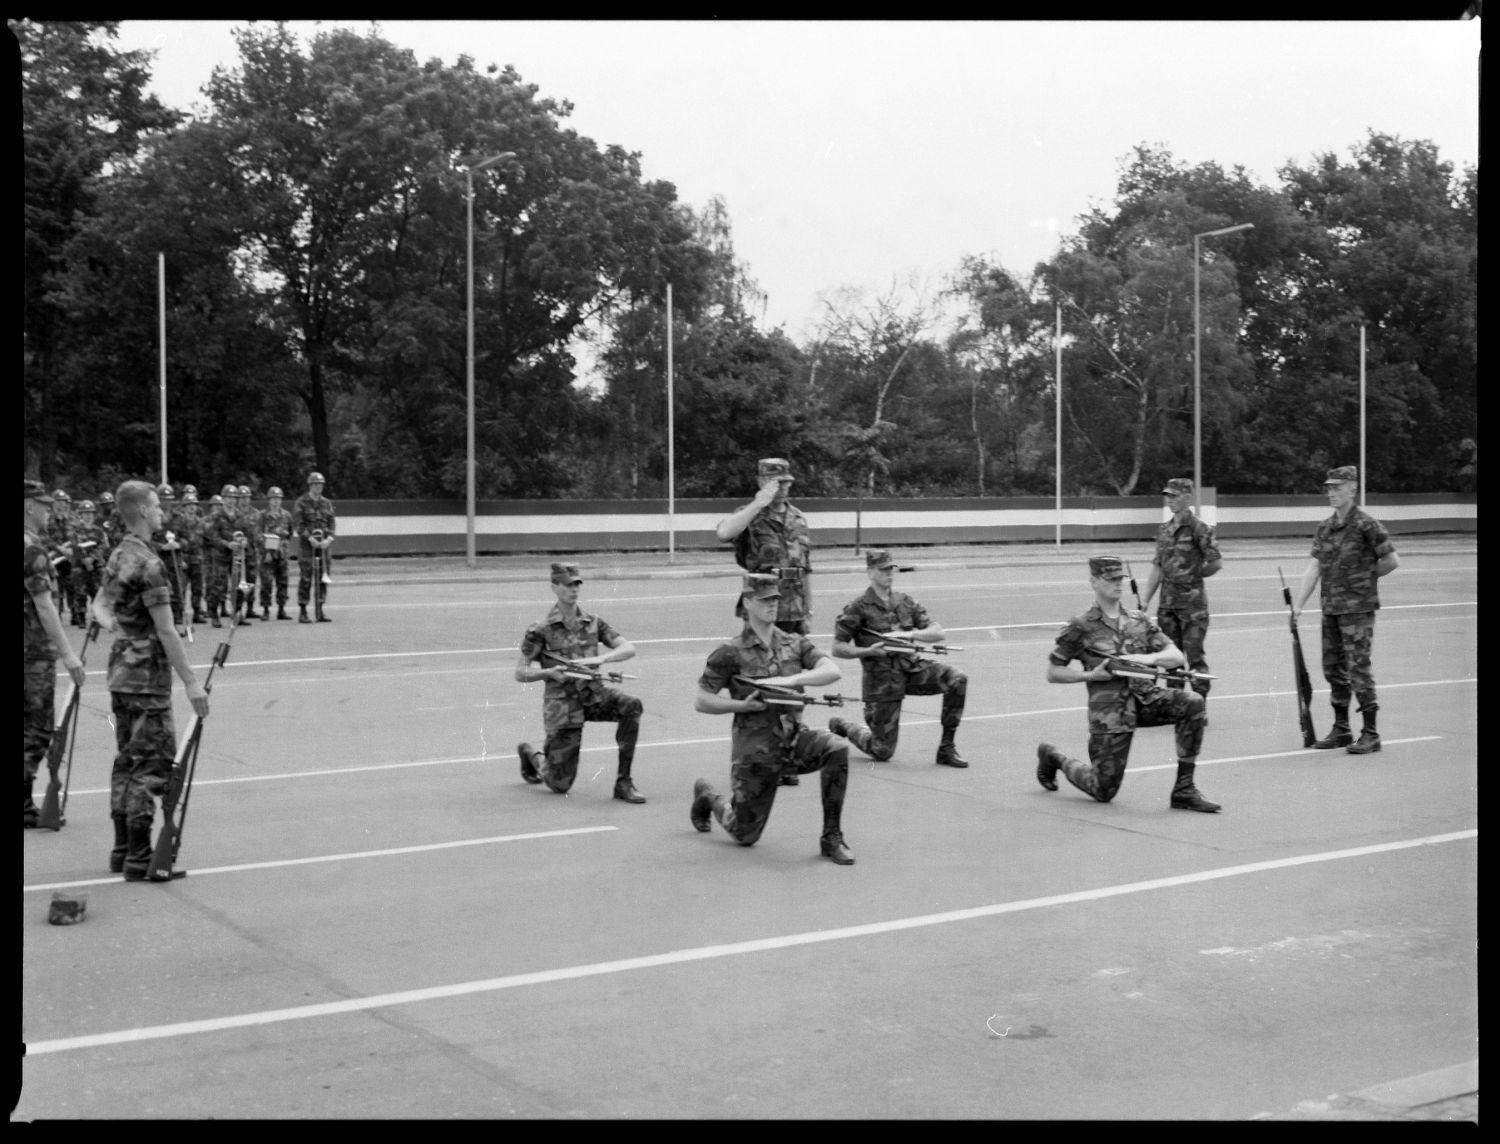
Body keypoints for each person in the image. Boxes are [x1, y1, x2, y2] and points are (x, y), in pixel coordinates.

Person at [690, 574, 854, 864]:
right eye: (765, 600)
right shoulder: (730, 651)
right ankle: (708, 796)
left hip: (793, 741)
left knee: (837, 748)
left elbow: (832, 670)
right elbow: (702, 700)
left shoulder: (794, 642)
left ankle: (832, 837)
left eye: (776, 599)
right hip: (754, 752)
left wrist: (793, 679)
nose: (773, 605)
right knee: (745, 835)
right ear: (748, 603)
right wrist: (740, 706)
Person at [1035, 555, 1220, 813]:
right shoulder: (1081, 626)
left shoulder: (1138, 620)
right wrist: (1090, 676)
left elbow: (1176, 655)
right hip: (1110, 713)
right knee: (1103, 790)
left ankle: (1184, 789)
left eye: (1120, 578)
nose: (1118, 584)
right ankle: (1054, 757)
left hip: (1146, 700)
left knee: (1193, 703)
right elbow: (1053, 672)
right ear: (1094, 582)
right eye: (1110, 579)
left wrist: (1145, 658)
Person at [95, 481, 209, 878]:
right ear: (142, 511)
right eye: (157, 506)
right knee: (153, 762)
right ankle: (141, 857)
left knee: (127, 759)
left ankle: (123, 847)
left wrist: (123, 631)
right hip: (147, 678)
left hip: (121, 671)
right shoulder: (149, 563)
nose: (163, 512)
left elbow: (100, 607)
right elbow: (166, 630)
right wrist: (192, 682)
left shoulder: (118, 555)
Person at [716, 456, 813, 786]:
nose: (784, 487)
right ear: (763, 482)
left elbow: (805, 570)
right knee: (760, 683)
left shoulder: (799, 518)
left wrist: (808, 610)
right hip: (761, 612)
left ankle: (787, 755)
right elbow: (724, 532)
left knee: (794, 684)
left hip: (794, 610)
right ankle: (755, 756)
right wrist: (758, 503)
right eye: (777, 482)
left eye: (787, 482)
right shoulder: (752, 517)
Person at [514, 563, 646, 804]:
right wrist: (548, 673)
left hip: (593, 695)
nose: (573, 589)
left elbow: (628, 648)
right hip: (563, 706)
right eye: (567, 585)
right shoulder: (541, 630)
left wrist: (602, 658)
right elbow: (520, 672)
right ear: (555, 587)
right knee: (559, 783)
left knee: (631, 706)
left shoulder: (593, 622)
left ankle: (623, 782)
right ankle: (532, 755)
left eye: (577, 584)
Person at [1292, 465, 1400, 754]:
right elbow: (1315, 566)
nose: (1332, 493)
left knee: (1358, 670)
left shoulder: (1367, 524)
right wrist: (1298, 606)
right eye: (1329, 488)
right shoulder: (1326, 527)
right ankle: (1341, 729)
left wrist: (1366, 578)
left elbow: (1391, 560)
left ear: (1353, 488)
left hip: (1358, 611)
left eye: (1338, 487)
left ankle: (1370, 732)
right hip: (1331, 610)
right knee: (1332, 669)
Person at [827, 550, 970, 768]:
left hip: (911, 669)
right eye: (882, 569)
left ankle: (946, 748)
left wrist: (910, 634)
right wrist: (868, 652)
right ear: (870, 573)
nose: (889, 573)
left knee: (957, 679)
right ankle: (846, 726)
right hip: (881, 682)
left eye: (890, 569)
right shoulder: (858, 607)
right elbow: (838, 647)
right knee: (882, 751)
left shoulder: (905, 601)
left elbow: (937, 632)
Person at [24, 482, 87, 827]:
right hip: (32, 653)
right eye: (43, 505)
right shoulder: (32, 550)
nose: (48, 510)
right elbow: (44, 605)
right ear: (29, 506)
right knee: (36, 729)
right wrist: (68, 654)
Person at [1142, 478, 1222, 704]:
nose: (1170, 500)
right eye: (1168, 496)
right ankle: (1176, 703)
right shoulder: (1164, 530)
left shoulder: (1200, 529)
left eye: (1175, 496)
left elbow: (1216, 563)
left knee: (1195, 657)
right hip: (1167, 606)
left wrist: (1195, 575)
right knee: (1170, 657)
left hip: (1192, 607)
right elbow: (1157, 567)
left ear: (1188, 498)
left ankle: (1199, 704)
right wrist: (1146, 601)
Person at [291, 471, 336, 623]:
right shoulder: (301, 502)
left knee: (323, 578)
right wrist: (310, 538)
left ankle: (320, 609)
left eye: (320, 484)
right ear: (310, 485)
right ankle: (303, 611)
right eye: (316, 484)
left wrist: (328, 539)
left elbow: (331, 523)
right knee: (306, 578)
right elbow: (298, 524)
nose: (318, 487)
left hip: (323, 547)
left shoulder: (326, 503)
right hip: (307, 547)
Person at [68, 499, 107, 627]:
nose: (88, 516)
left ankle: (97, 618)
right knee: (80, 592)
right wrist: (85, 560)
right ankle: (81, 618)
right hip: (80, 566)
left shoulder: (99, 530)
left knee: (97, 592)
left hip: (96, 565)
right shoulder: (75, 530)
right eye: (85, 513)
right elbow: (75, 547)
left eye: (90, 513)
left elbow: (103, 546)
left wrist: (92, 558)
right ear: (81, 515)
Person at [258, 486, 293, 620]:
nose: (276, 501)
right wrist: (266, 551)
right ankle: (266, 610)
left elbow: (289, 533)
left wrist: (282, 548)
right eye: (273, 499)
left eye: (278, 499)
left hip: (282, 554)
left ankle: (281, 609)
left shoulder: (286, 515)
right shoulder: (262, 515)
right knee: (267, 582)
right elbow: (258, 535)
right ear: (269, 500)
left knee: (283, 582)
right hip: (267, 555)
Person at [201, 491, 234, 627]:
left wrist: (243, 542)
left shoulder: (239, 515)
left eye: (233, 498)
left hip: (235, 556)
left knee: (237, 586)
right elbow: (212, 537)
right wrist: (227, 544)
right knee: (218, 586)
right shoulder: (215, 517)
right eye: (228, 498)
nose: (231, 500)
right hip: (219, 555)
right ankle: (214, 613)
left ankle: (236, 613)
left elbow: (246, 532)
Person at [176, 490, 207, 623]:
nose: (191, 507)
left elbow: (207, 540)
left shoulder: (202, 522)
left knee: (197, 588)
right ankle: (178, 614)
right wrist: (180, 559)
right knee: (181, 588)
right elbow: (174, 541)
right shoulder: (179, 523)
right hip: (184, 559)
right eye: (188, 505)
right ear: (184, 507)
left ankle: (197, 612)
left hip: (197, 559)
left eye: (194, 504)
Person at [233, 485, 261, 620]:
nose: (245, 500)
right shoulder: (234, 512)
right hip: (237, 552)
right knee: (237, 582)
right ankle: (238, 609)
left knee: (251, 579)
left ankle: (250, 608)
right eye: (242, 498)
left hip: (252, 552)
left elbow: (259, 532)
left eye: (247, 497)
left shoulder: (256, 513)